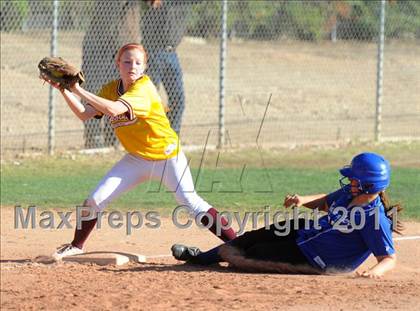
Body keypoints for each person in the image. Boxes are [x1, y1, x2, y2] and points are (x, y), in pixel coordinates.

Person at [40, 43, 236, 260]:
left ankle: (238, 244)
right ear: (118, 64)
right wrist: (64, 90)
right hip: (136, 159)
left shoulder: (144, 89)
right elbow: (85, 114)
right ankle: (76, 245)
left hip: (167, 157)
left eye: (138, 62)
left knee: (191, 203)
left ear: (144, 67)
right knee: (95, 200)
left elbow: (114, 109)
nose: (132, 66)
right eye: (127, 61)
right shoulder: (110, 89)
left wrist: (77, 89)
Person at [172, 152, 403, 278]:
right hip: (308, 232)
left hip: (317, 259)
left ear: (368, 186)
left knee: (255, 253)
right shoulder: (348, 193)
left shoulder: (374, 219)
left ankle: (226, 260)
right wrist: (302, 200)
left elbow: (388, 258)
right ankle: (202, 257)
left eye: (354, 178)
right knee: (253, 237)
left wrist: (374, 273)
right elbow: (324, 202)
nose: (349, 180)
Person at [141, 0, 192, 135]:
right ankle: (148, 134)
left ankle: (171, 135)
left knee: (178, 99)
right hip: (152, 50)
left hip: (171, 52)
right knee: (151, 98)